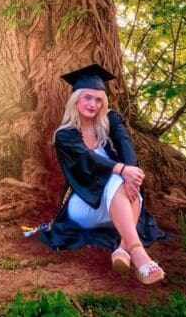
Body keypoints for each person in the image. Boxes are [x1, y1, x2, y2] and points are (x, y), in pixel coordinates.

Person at [27, 64, 168, 285]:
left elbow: (126, 145)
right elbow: (89, 159)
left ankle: (122, 249)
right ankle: (138, 252)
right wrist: (123, 170)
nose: (93, 104)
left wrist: (132, 175)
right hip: (83, 205)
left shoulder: (110, 121)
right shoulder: (65, 135)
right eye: (87, 98)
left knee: (125, 179)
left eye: (98, 99)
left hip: (115, 205)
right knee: (116, 175)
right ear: (76, 100)